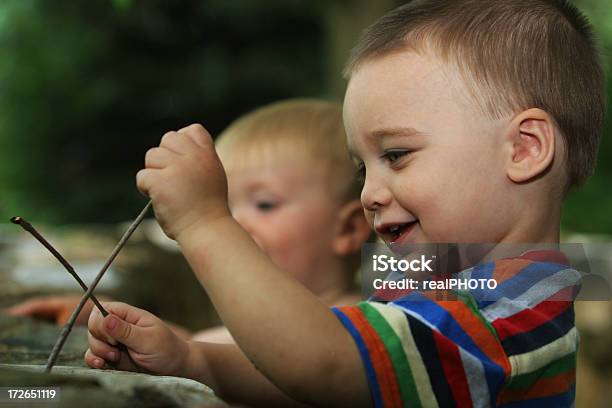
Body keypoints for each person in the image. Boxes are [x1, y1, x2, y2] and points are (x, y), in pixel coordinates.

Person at [85, 1, 604, 406]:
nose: (369, 194)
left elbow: (326, 365)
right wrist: (196, 361)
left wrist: (205, 223)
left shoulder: (502, 314)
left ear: (525, 148)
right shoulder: (462, 279)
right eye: (363, 167)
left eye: (396, 155)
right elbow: (348, 380)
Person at [6, 99, 370, 344]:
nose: (232, 223)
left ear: (349, 228)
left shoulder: (350, 330)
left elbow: (214, 359)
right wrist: (103, 317)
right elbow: (202, 354)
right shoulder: (256, 332)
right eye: (223, 205)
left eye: (264, 203)